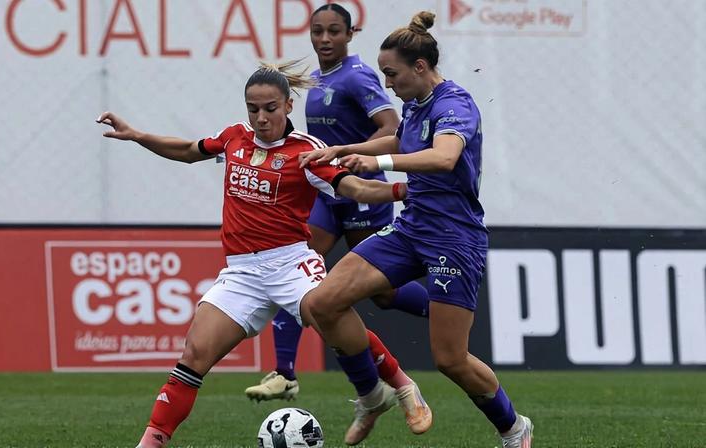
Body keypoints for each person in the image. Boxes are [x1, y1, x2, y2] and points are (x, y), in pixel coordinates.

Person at [96, 62, 429, 448]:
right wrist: (137, 135)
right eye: (253, 108)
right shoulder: (234, 138)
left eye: (270, 108)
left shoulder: (306, 150)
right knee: (193, 355)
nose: (260, 117)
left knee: (331, 314)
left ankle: (401, 386)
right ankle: (150, 443)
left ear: (288, 105)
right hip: (241, 273)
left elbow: (354, 188)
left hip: (290, 263)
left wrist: (401, 192)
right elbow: (189, 151)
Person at [299, 11, 534, 448]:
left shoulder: (455, 104)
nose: (388, 84)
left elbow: (444, 157)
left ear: (420, 68)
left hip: (453, 237)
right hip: (411, 228)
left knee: (451, 359)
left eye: (392, 74)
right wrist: (346, 148)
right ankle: (375, 393)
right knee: (321, 303)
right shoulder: (417, 103)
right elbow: (402, 138)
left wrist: (378, 165)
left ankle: (514, 428)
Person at [244, 3, 432, 405]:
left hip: (364, 192)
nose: (324, 39)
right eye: (317, 32)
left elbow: (391, 128)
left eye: (333, 32)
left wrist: (348, 152)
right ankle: (285, 373)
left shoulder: (360, 76)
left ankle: (443, 306)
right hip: (329, 194)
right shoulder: (315, 79)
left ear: (350, 35)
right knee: (294, 265)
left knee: (381, 293)